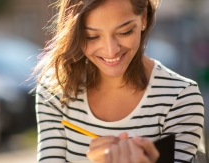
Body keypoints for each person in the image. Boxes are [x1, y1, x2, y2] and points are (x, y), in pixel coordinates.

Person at [33, 0, 204, 162]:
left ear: (143, 17)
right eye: (92, 36)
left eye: (124, 32)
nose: (111, 50)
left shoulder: (180, 98)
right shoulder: (55, 88)